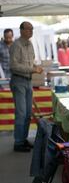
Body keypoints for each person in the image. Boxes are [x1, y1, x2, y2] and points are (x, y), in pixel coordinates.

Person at [9, 22, 43, 152]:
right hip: (18, 80)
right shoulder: (16, 45)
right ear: (21, 30)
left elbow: (31, 61)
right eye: (28, 29)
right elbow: (13, 66)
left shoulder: (30, 44)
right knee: (21, 113)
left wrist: (35, 67)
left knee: (28, 113)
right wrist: (32, 69)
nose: (31, 31)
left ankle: (23, 139)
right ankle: (18, 142)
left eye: (32, 29)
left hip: (28, 80)